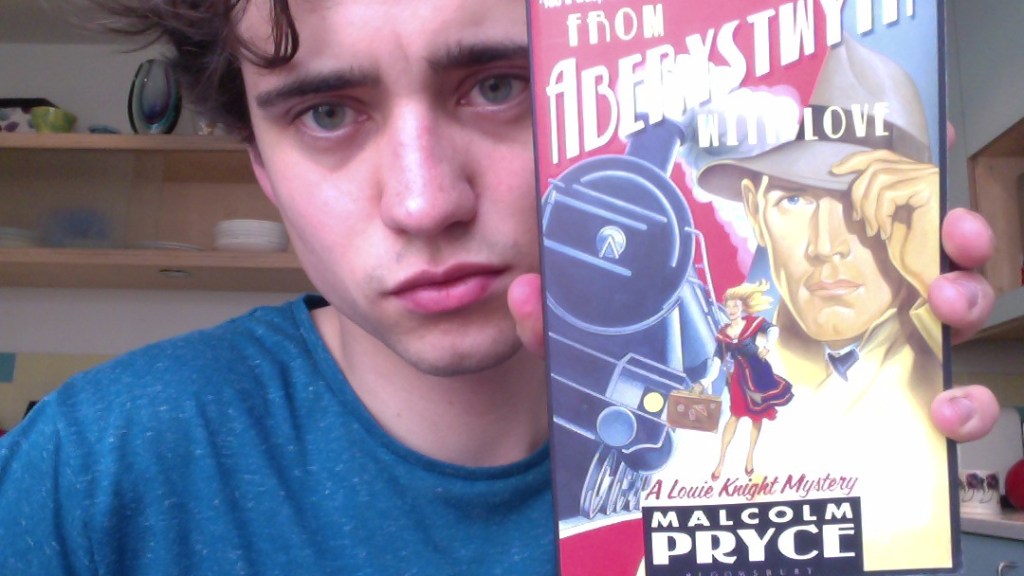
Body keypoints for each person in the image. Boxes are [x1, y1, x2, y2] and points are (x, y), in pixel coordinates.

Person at [0, 1, 1001, 574]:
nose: (425, 202)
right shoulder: (93, 466)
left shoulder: (768, 446)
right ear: (262, 169)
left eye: (497, 87)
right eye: (326, 114)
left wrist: (866, 440)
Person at [695, 37, 983, 571]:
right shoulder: (715, 388)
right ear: (755, 210)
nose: (826, 244)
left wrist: (931, 287)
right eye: (795, 199)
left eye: (860, 199)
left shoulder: (932, 364)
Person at [700, 281, 793, 481]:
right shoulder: (723, 334)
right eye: (728, 306)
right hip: (739, 378)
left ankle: (750, 457)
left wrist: (767, 346)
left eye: (735, 306)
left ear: (742, 306)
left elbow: (773, 330)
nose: (732, 310)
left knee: (757, 416)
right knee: (734, 416)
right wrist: (706, 380)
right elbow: (717, 360)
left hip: (760, 373)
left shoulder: (752, 323)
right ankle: (721, 461)